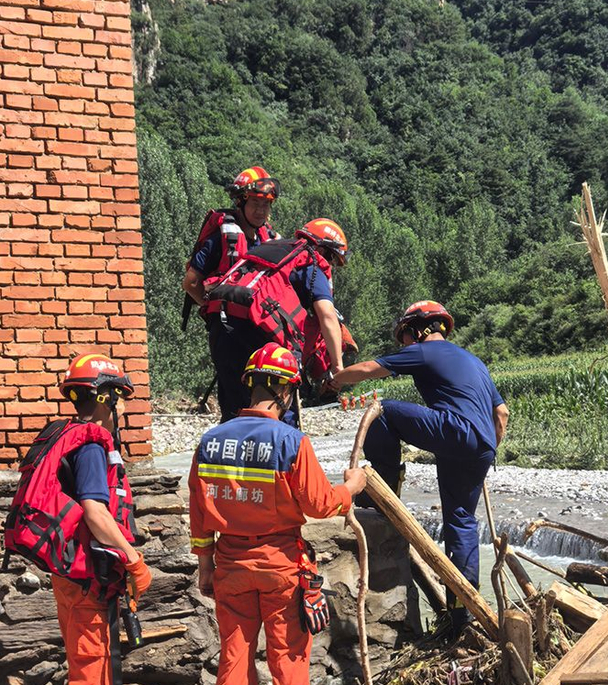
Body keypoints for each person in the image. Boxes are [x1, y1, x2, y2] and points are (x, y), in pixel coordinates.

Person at [188, 343, 366, 685]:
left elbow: (199, 515)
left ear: (250, 384)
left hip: (229, 564)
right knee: (288, 662)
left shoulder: (210, 443)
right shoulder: (291, 441)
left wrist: (206, 566)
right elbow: (321, 504)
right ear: (286, 391)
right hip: (281, 565)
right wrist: (351, 488)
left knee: (234, 661)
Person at [4, 354, 153, 685]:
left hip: (71, 574)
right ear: (105, 398)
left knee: (88, 668)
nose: (123, 409)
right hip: (87, 578)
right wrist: (133, 559)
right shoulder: (90, 446)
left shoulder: (66, 438)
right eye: (121, 400)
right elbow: (95, 512)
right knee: (90, 673)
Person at [330, 301, 509, 634]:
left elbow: (370, 369)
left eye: (405, 338)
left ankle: (383, 492)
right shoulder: (474, 361)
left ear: (419, 330)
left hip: (456, 432)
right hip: (482, 446)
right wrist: (484, 448)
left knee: (384, 412)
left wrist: (337, 378)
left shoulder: (425, 352)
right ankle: (461, 614)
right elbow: (502, 414)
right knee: (460, 521)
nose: (405, 346)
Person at [201, 214, 350, 423]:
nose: (331, 265)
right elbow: (327, 315)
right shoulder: (310, 262)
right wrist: (337, 368)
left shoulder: (268, 250)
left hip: (222, 325)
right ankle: (283, 448)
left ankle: (231, 449)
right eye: (333, 258)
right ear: (323, 249)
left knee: (235, 409)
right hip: (257, 329)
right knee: (279, 406)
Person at [181, 165, 281, 308]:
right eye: (255, 202)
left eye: (266, 203)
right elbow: (191, 283)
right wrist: (211, 310)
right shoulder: (221, 240)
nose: (261, 210)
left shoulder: (268, 239)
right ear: (240, 202)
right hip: (227, 326)